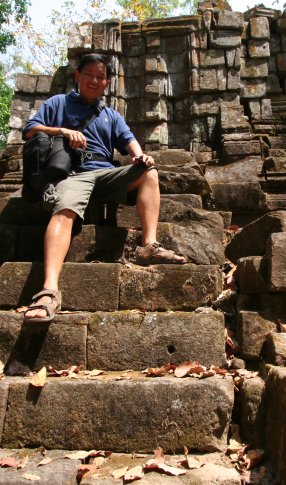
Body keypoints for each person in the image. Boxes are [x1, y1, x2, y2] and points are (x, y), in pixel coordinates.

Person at [22, 53, 186, 321]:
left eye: (100, 77)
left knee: (149, 173)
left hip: (106, 174)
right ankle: (49, 291)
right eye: (89, 75)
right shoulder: (58, 103)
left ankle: (149, 245)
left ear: (107, 83)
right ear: (77, 77)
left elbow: (128, 139)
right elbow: (30, 130)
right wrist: (62, 132)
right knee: (64, 209)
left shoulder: (110, 114)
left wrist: (139, 156)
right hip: (73, 175)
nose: (94, 80)